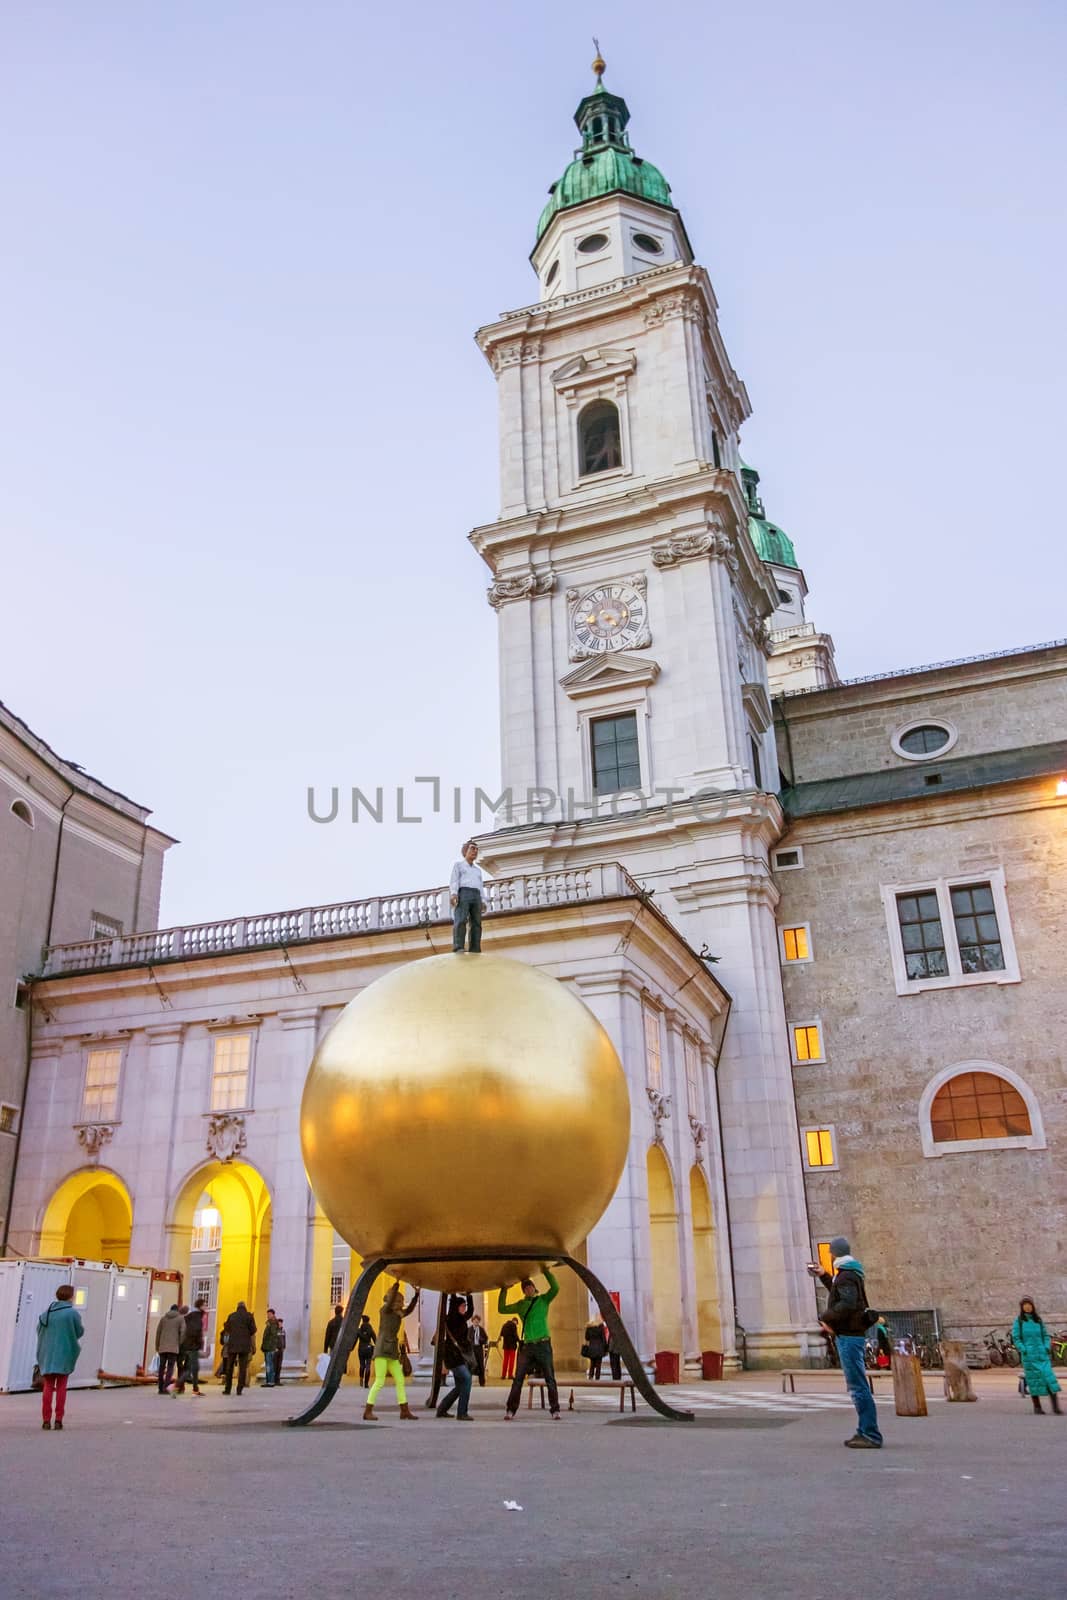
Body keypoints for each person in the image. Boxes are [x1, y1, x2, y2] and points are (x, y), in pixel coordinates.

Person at [807, 1235, 883, 1449]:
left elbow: (848, 1303)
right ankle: (864, 1430)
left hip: (849, 1336)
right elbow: (839, 1292)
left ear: (835, 1253)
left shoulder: (847, 1274)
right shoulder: (849, 1272)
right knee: (858, 1385)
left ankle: (870, 1433)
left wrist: (826, 1318)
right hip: (850, 1334)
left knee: (858, 1386)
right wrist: (824, 1275)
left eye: (831, 1251)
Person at [498, 1264, 561, 1420]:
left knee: (550, 1378)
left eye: (530, 1287)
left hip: (543, 1344)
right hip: (528, 1346)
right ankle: (510, 1410)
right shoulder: (521, 1305)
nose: (528, 1290)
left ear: (534, 1288)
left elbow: (555, 1287)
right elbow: (501, 1308)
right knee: (518, 1379)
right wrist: (504, 1289)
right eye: (525, 1288)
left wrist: (545, 1271)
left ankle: (555, 1410)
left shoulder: (543, 1300)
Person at [365, 1282, 420, 1421]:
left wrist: (416, 1295)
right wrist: (396, 1286)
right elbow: (389, 1303)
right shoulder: (385, 1310)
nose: (402, 1303)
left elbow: (410, 1310)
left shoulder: (398, 1313)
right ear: (394, 1299)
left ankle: (404, 1410)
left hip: (392, 1351)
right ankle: (368, 1410)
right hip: (382, 1349)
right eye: (400, 1300)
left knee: (400, 1380)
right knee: (379, 1381)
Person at [36, 1283, 83, 1431]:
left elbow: (39, 1330)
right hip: (65, 1353)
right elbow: (79, 1332)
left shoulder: (47, 1312)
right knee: (62, 1386)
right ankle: (58, 1419)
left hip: (48, 1354)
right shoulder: (72, 1313)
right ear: (70, 1296)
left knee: (48, 1386)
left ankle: (45, 1420)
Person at [1012, 1298, 1062, 1415]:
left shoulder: (1038, 1320)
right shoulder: (1019, 1321)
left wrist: (1046, 1347)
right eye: (1025, 1305)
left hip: (1042, 1355)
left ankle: (1055, 1407)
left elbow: (1045, 1335)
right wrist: (1023, 1349)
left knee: (1049, 1378)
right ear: (1022, 1307)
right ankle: (1037, 1407)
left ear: (1033, 1306)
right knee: (1034, 1381)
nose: (1027, 1307)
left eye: (1029, 1305)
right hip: (1029, 1356)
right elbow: (1016, 1338)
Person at [437, 1293, 475, 1420]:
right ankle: (462, 1412)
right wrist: (452, 1293)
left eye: (465, 1306)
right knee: (467, 1379)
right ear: (456, 1307)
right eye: (462, 1306)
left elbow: (470, 1311)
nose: (465, 1308)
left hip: (457, 1356)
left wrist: (469, 1297)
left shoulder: (461, 1317)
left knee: (460, 1386)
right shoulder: (453, 1318)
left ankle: (442, 1409)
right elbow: (454, 1307)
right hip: (454, 1356)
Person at [450, 840, 484, 953]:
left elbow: (480, 886)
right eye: (472, 848)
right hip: (464, 892)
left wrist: (483, 900)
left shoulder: (477, 871)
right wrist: (454, 893)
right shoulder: (459, 865)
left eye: (476, 849)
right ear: (465, 851)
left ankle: (475, 948)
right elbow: (454, 880)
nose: (475, 851)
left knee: (476, 923)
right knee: (461, 919)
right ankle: (458, 946)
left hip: (476, 894)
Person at [221, 1300, 257, 1395]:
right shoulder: (249, 1316)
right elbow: (253, 1330)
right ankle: (239, 1389)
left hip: (232, 1345)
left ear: (237, 1307)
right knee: (242, 1368)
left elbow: (227, 1329)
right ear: (245, 1307)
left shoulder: (231, 1316)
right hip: (245, 1346)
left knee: (230, 1367)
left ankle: (227, 1389)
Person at [176, 1299, 206, 1395]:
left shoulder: (191, 1316)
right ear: (200, 1306)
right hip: (192, 1347)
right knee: (189, 1370)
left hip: (188, 1345)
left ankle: (195, 1389)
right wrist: (199, 1344)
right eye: (205, 1305)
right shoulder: (196, 1317)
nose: (206, 1307)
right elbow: (194, 1331)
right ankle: (174, 1387)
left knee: (195, 1369)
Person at [155, 1303, 186, 1394]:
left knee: (161, 1367)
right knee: (170, 1368)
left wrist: (157, 1346)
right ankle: (166, 1387)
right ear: (178, 1310)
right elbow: (183, 1332)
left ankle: (160, 1388)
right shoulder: (180, 1319)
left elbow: (158, 1333)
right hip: (173, 1348)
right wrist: (179, 1343)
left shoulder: (163, 1319)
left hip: (162, 1347)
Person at [583, 1315, 608, 1380]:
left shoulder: (589, 1327)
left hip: (591, 1348)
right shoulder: (601, 1327)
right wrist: (606, 1348)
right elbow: (603, 1338)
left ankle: (590, 1376)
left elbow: (587, 1338)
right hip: (599, 1348)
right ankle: (597, 1378)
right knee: (598, 1365)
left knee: (592, 1364)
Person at [261, 1309, 281, 1386]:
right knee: (269, 1364)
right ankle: (269, 1381)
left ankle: (270, 1381)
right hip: (268, 1347)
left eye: (269, 1314)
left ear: (273, 1314)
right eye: (267, 1314)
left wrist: (272, 1346)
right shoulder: (271, 1323)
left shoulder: (272, 1323)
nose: (268, 1316)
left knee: (269, 1365)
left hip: (269, 1347)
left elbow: (273, 1336)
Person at [356, 1314, 376, 1386]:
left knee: (362, 1365)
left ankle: (361, 1381)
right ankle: (366, 1383)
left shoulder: (359, 1330)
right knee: (368, 1366)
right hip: (368, 1349)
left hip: (361, 1349)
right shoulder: (370, 1330)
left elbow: (355, 1340)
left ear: (362, 1321)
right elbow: (375, 1339)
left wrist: (351, 1348)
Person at [469, 1314, 489, 1386]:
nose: (476, 1323)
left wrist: (481, 1340)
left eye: (477, 1322)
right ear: (472, 1321)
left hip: (479, 1348)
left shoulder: (481, 1329)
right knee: (471, 1365)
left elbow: (486, 1338)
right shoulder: (469, 1329)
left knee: (481, 1365)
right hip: (472, 1349)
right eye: (475, 1321)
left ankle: (482, 1382)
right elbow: (467, 1339)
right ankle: (469, 1382)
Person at [499, 1316, 519, 1381]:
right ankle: (510, 1375)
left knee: (505, 1360)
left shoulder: (504, 1325)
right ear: (515, 1321)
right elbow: (515, 1335)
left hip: (506, 1346)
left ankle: (503, 1375)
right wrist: (519, 1341)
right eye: (516, 1323)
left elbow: (501, 1334)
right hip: (512, 1346)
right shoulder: (513, 1325)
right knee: (511, 1361)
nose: (516, 1324)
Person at [275, 1317, 287, 1383]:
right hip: (276, 1350)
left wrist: (284, 1346)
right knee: (275, 1365)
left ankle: (278, 1380)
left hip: (281, 1350)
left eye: (281, 1323)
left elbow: (284, 1339)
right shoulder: (275, 1331)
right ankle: (274, 1379)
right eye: (279, 1323)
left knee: (279, 1366)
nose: (280, 1324)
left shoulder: (283, 1331)